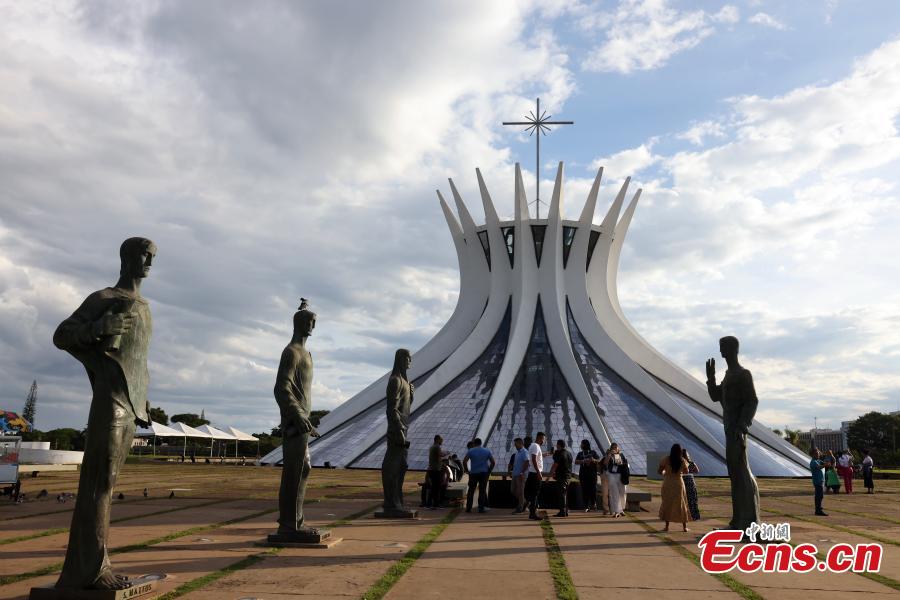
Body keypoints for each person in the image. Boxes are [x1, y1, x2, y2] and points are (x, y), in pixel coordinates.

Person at [53, 238, 157, 591]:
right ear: (127, 257)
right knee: (98, 485)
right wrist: (98, 329)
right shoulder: (105, 298)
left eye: (153, 256)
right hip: (110, 401)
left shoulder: (143, 305)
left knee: (107, 487)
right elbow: (62, 335)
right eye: (144, 254)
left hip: (131, 404)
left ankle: (96, 565)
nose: (149, 261)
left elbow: (138, 360)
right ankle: (90, 572)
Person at [271, 300, 322, 541]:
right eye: (310, 321)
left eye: (315, 322)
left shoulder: (307, 353)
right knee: (294, 471)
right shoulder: (291, 352)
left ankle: (295, 521)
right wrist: (298, 415)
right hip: (295, 422)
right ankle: (289, 525)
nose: (313, 325)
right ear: (300, 323)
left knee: (304, 468)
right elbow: (282, 388)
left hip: (303, 422)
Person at [706, 336, 760, 533]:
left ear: (733, 349)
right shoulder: (728, 375)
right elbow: (715, 396)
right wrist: (711, 378)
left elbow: (752, 401)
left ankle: (749, 521)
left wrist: (742, 426)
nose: (721, 352)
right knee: (735, 474)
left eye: (723, 347)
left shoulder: (743, 374)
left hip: (737, 432)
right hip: (729, 430)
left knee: (741, 473)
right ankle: (739, 519)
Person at [381, 349, 414, 515]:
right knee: (393, 466)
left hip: (403, 428)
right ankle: (391, 503)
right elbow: (391, 409)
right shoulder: (395, 381)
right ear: (401, 359)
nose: (410, 361)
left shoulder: (405, 382)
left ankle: (397, 501)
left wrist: (411, 396)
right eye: (408, 358)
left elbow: (404, 409)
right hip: (396, 430)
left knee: (402, 466)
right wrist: (399, 430)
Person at [658, 444, 690, 532]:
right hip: (678, 483)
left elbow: (659, 471)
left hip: (668, 482)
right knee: (681, 503)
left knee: (667, 503)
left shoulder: (665, 459)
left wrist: (666, 473)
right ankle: (684, 527)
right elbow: (686, 471)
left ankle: (667, 526)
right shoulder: (682, 460)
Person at [463, 438, 495, 513]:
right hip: (484, 473)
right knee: (482, 490)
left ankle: (468, 508)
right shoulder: (487, 451)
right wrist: (489, 471)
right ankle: (481, 508)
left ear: (474, 443)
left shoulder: (471, 451)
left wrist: (467, 471)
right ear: (481, 443)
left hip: (473, 473)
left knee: (471, 490)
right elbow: (493, 462)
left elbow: (464, 461)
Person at [525, 432, 546, 520]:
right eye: (543, 439)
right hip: (534, 474)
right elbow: (533, 459)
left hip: (532, 473)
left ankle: (531, 510)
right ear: (540, 438)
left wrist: (546, 454)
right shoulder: (536, 446)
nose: (544, 441)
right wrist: (538, 472)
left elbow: (536, 458)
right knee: (534, 494)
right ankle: (533, 513)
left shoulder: (534, 446)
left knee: (532, 493)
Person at [575, 439, 601, 512]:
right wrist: (583, 461)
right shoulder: (580, 453)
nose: (581, 445)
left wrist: (593, 460)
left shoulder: (593, 452)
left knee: (593, 489)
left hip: (592, 474)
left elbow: (599, 460)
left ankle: (593, 504)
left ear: (585, 444)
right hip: (583, 474)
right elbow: (576, 462)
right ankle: (586, 506)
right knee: (584, 490)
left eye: (582, 444)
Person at [549, 440, 573, 517]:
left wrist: (550, 474)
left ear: (558, 445)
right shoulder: (569, 453)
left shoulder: (560, 454)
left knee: (562, 494)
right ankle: (565, 511)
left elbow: (555, 464)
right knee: (564, 493)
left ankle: (562, 511)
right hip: (568, 476)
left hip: (562, 477)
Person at [603, 443, 627, 517]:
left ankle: (621, 509)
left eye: (616, 448)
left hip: (620, 475)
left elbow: (623, 463)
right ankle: (616, 511)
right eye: (613, 448)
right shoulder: (609, 455)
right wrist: (610, 455)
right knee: (614, 493)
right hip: (612, 475)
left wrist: (618, 457)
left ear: (618, 448)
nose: (614, 449)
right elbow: (605, 463)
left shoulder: (621, 455)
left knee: (622, 493)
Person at [426, 435, 447, 509]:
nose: (442, 442)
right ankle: (435, 504)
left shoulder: (432, 447)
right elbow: (440, 455)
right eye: (441, 440)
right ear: (438, 440)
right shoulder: (437, 447)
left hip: (432, 469)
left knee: (434, 487)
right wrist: (447, 454)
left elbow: (437, 458)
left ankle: (430, 504)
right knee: (436, 488)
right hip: (435, 470)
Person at [681, 448, 701, 521]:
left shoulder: (680, 462)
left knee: (683, 498)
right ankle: (695, 516)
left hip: (683, 480)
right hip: (690, 480)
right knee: (692, 498)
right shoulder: (691, 462)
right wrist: (690, 471)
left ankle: (684, 515)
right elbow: (697, 471)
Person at [510, 438, 529, 513]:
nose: (515, 445)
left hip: (521, 475)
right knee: (513, 490)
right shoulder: (517, 453)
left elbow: (527, 462)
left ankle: (520, 507)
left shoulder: (524, 452)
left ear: (521, 443)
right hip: (515, 474)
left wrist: (522, 472)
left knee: (520, 491)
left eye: (516, 444)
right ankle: (525, 502)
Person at [810, 447, 828, 516]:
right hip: (818, 481)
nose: (818, 455)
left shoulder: (818, 460)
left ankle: (818, 508)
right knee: (819, 496)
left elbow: (823, 463)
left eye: (818, 454)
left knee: (820, 496)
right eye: (816, 454)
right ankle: (818, 510)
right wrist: (825, 465)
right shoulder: (813, 462)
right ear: (813, 455)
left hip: (821, 481)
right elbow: (819, 467)